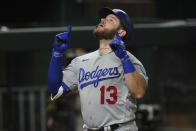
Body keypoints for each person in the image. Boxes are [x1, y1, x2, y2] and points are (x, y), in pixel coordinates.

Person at [48, 7, 148, 131]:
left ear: (121, 32)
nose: (103, 20)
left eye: (110, 20)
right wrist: (57, 54)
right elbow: (55, 88)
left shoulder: (130, 60)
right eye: (103, 18)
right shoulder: (81, 61)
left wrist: (125, 59)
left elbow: (138, 92)